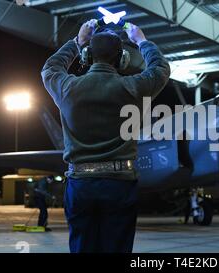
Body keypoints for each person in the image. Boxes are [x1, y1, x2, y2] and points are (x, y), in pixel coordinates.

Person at [41, 20, 170, 252]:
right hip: (119, 184)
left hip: (80, 184)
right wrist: (142, 41)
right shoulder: (133, 87)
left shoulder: (68, 87)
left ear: (87, 56)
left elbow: (50, 68)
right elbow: (160, 69)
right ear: (122, 59)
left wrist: (78, 41)